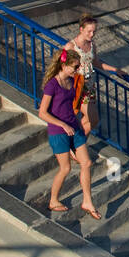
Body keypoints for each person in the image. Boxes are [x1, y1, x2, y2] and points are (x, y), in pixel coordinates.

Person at [38, 48, 100, 219]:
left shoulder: (73, 81)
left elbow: (73, 104)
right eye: (74, 66)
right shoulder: (52, 85)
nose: (77, 69)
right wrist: (62, 124)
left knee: (86, 163)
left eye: (78, 66)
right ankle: (53, 200)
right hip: (59, 131)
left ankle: (87, 201)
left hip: (74, 126)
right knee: (65, 168)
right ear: (64, 65)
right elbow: (42, 112)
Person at [63, 13, 128, 135]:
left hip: (90, 87)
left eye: (94, 31)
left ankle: (78, 145)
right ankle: (76, 144)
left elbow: (96, 62)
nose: (92, 34)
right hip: (77, 86)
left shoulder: (92, 45)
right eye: (89, 31)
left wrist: (115, 70)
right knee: (90, 118)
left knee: (92, 120)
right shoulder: (71, 46)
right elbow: (61, 67)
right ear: (81, 29)